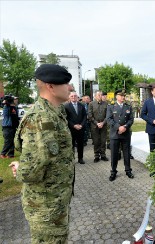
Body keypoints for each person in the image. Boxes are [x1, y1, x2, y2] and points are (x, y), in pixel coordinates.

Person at [8, 64, 74, 243]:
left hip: (56, 202)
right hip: (45, 209)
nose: (70, 88)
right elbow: (31, 171)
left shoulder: (56, 112)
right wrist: (21, 167)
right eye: (66, 83)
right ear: (50, 86)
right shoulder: (40, 118)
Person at [106, 89, 134, 181]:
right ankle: (113, 171)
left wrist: (125, 127)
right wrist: (119, 127)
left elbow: (131, 119)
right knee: (114, 154)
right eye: (121, 96)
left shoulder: (128, 107)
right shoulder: (111, 107)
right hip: (115, 134)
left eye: (124, 96)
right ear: (116, 96)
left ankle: (128, 170)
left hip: (125, 133)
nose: (123, 97)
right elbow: (109, 119)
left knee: (126, 153)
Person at [64, 91, 87, 164]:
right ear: (69, 97)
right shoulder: (66, 106)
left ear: (77, 97)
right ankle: (72, 159)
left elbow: (84, 116)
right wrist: (73, 125)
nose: (73, 97)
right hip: (72, 129)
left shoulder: (81, 105)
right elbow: (66, 118)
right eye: (72, 96)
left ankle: (80, 158)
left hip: (81, 128)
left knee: (80, 144)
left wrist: (81, 125)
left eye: (75, 96)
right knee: (72, 144)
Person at [88, 90, 109, 162]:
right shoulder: (91, 104)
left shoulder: (106, 104)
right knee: (96, 141)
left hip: (104, 125)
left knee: (103, 141)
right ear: (95, 96)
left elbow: (108, 115)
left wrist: (103, 123)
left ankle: (103, 155)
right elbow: (90, 115)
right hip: (94, 126)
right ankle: (96, 155)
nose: (100, 96)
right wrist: (97, 123)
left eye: (101, 95)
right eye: (99, 95)